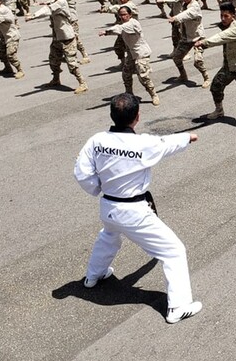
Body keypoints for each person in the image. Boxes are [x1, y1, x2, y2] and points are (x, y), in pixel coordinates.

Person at [74, 93, 203, 323]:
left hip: (108, 205)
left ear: (112, 115)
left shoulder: (96, 140)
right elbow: (167, 144)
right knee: (174, 252)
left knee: (109, 236)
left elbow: (82, 173)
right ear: (137, 117)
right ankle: (178, 307)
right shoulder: (143, 143)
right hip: (134, 211)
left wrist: (97, 188)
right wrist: (188, 137)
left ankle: (93, 276)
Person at [26, 0, 88, 94]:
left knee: (71, 64)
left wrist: (34, 16)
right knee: (53, 61)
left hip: (67, 38)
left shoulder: (62, 2)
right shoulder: (55, 1)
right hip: (57, 38)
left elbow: (48, 9)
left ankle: (82, 83)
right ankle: (56, 79)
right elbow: (48, 6)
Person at [99, 6, 160, 106]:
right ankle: (129, 94)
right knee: (126, 73)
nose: (122, 17)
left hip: (141, 53)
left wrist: (106, 31)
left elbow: (120, 28)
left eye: (124, 14)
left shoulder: (133, 23)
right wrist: (107, 33)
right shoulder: (123, 25)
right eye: (120, 15)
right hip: (131, 54)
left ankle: (154, 95)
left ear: (130, 15)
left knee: (143, 77)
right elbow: (118, 30)